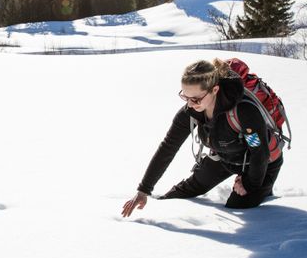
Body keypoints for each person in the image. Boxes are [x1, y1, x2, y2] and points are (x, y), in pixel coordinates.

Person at [121, 58, 283, 217]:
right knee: (175, 196)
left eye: (196, 99)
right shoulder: (190, 112)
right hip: (224, 158)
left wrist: (248, 183)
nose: (190, 104)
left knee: (238, 205)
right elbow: (168, 147)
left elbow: (259, 151)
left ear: (214, 90)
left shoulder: (243, 110)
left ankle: (264, 191)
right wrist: (144, 190)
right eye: (185, 97)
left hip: (261, 163)